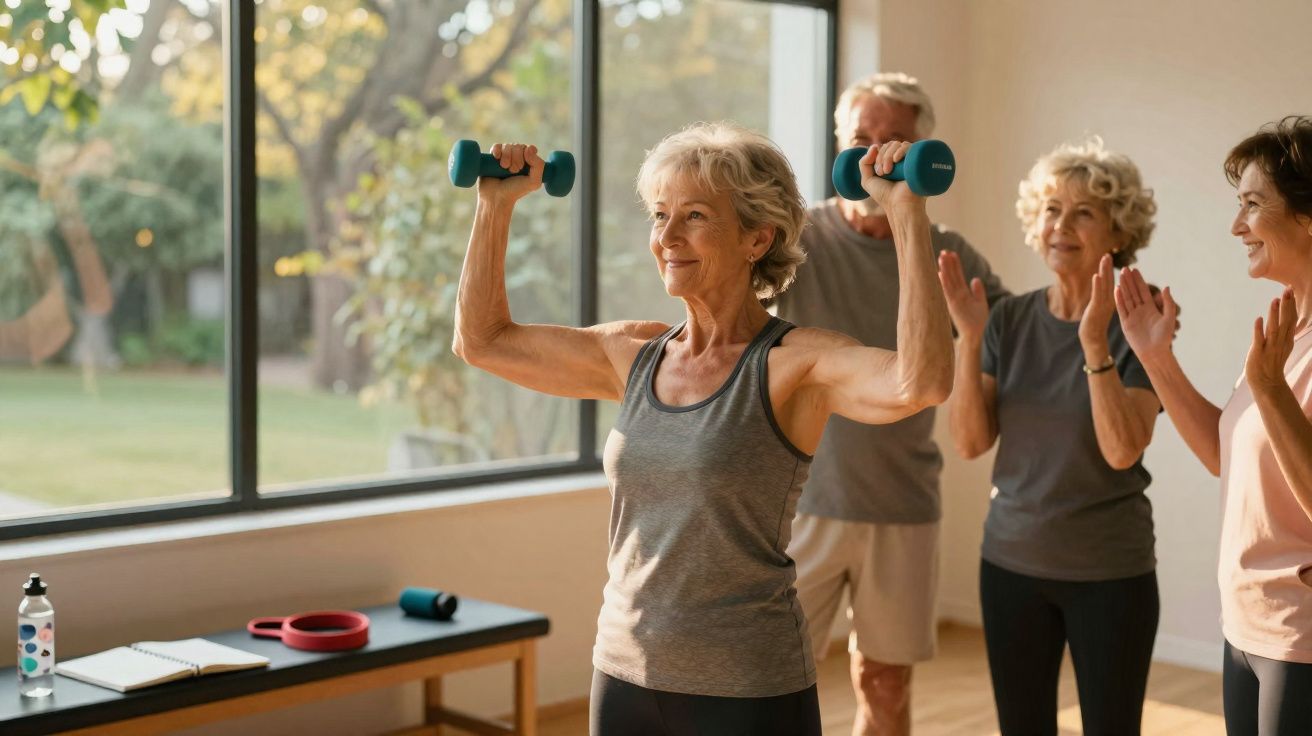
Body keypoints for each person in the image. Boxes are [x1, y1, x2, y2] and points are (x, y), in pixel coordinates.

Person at [452, 122, 954, 734]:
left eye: (693, 216)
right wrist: (494, 204)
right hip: (623, 672)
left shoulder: (794, 365)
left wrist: (905, 212)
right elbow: (482, 340)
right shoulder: (632, 354)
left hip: (746, 684)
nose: (666, 236)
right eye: (660, 215)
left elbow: (919, 383)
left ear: (756, 238)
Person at [773, 72, 1007, 735]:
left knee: (885, 685)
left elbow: (1017, 333)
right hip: (801, 505)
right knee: (775, 684)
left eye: (895, 142)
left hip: (901, 506)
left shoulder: (949, 253)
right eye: (861, 140)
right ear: (840, 147)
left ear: (922, 152)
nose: (877, 157)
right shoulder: (796, 240)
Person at [941, 138, 1163, 735]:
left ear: (1117, 233)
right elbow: (968, 442)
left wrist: (1094, 344)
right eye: (1051, 210)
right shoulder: (1008, 320)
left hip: (1110, 572)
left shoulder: (1142, 321)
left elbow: (1123, 449)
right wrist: (968, 338)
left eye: (1083, 212)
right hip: (1011, 563)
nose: (1061, 226)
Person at [1116, 116, 1312, 735]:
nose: (1237, 226)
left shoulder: (1280, 359)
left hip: (1302, 633)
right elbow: (1226, 459)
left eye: (1254, 205)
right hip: (1246, 623)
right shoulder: (1286, 333)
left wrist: (1271, 391)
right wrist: (1155, 358)